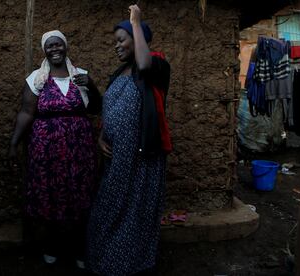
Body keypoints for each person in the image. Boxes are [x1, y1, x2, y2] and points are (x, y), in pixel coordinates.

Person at [86, 5, 171, 275]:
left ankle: (129, 265)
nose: (116, 46)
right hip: (115, 159)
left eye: (121, 40)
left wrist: (136, 21)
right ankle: (103, 261)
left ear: (138, 39)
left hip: (141, 159)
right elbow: (108, 110)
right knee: (108, 208)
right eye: (115, 42)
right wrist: (101, 137)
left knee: (134, 212)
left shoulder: (156, 65)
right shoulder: (118, 73)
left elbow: (143, 63)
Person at [9, 30, 101, 268]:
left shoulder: (81, 76)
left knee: (79, 195)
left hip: (79, 149)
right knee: (50, 195)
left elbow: (97, 109)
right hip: (46, 149)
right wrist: (14, 143)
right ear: (44, 50)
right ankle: (52, 246)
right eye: (49, 46)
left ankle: (79, 249)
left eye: (58, 44)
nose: (54, 49)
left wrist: (91, 86)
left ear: (65, 46)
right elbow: (27, 112)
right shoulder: (36, 79)